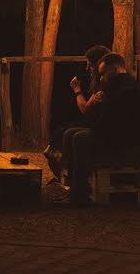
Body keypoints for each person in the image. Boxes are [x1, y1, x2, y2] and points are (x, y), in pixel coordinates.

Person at [64, 53, 140, 205]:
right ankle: (73, 188)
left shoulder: (128, 88)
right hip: (112, 132)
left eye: (103, 74)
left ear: (114, 70)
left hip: (123, 138)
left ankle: (80, 194)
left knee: (80, 138)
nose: (101, 77)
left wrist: (102, 106)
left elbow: (118, 120)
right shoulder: (114, 85)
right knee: (70, 133)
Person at [44, 45, 110, 185]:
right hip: (95, 122)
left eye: (90, 65)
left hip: (100, 125)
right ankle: (65, 173)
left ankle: (69, 174)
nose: (87, 69)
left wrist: (77, 90)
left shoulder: (104, 83)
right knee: (64, 130)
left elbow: (85, 109)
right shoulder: (97, 81)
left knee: (69, 132)